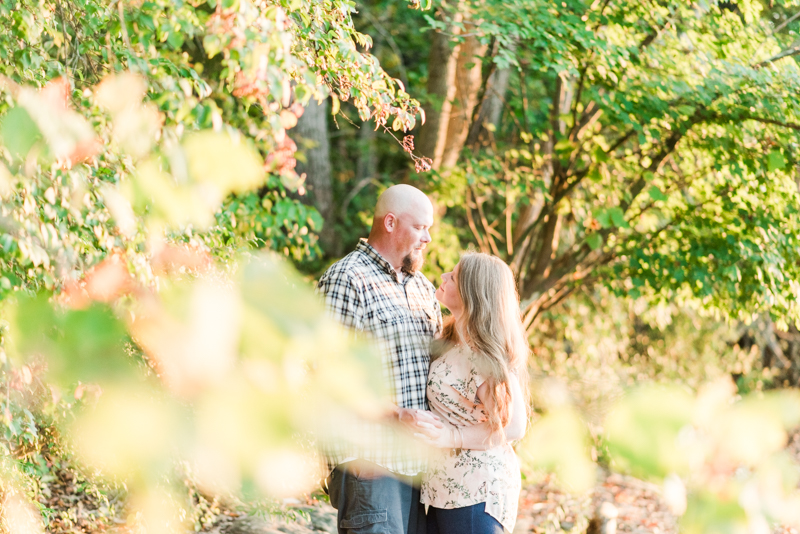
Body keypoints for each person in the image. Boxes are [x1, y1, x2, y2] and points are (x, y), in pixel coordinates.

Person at [316, 184, 444, 534]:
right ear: (390, 222)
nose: (428, 238)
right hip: (370, 464)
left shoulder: (422, 288)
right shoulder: (346, 279)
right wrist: (397, 414)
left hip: (420, 468)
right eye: (420, 227)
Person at [413, 252, 531, 534]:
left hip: (477, 491)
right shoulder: (450, 337)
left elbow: (515, 426)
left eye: (452, 277)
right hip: (444, 488)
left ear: (471, 294)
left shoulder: (485, 355)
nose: (443, 277)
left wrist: (451, 437)